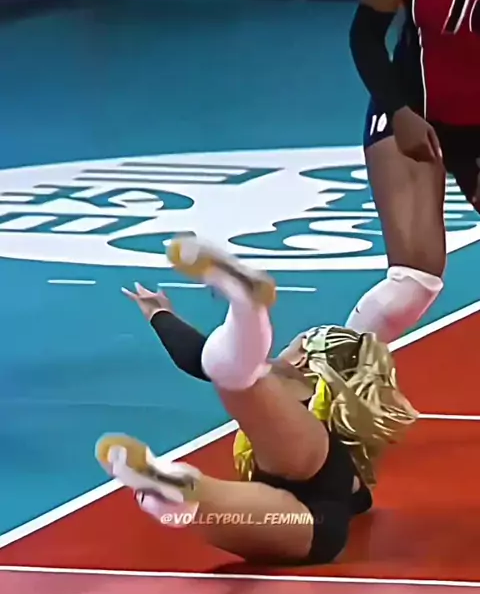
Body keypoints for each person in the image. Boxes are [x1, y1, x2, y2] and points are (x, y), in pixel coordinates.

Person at [96, 236, 417, 566]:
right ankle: (168, 495)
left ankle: (246, 306)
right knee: (198, 501)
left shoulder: (293, 382)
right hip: (311, 529)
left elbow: (195, 357)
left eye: (297, 342)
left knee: (233, 371)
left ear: (305, 356)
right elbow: (359, 500)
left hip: (300, 487)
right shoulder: (349, 460)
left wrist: (159, 314)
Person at [346, 0, 480, 343]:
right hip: (413, 114)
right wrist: (398, 111)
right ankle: (328, 367)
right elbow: (365, 34)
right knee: (414, 280)